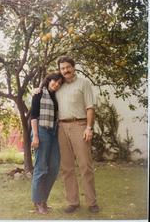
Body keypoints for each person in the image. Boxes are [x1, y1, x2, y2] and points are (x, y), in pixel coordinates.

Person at [55, 56, 99, 213]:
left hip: (79, 125)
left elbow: (90, 107)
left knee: (85, 165)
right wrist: (36, 90)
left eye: (68, 67)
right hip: (61, 128)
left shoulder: (84, 83)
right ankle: (73, 202)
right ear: (59, 70)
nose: (65, 70)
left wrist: (89, 127)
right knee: (67, 168)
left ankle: (92, 202)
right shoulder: (57, 86)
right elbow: (44, 93)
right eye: (62, 68)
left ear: (73, 67)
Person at [30, 72, 64, 214]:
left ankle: (43, 199)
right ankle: (38, 202)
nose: (56, 84)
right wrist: (36, 136)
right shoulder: (38, 93)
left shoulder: (56, 96)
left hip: (53, 132)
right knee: (41, 168)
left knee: (54, 167)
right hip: (41, 131)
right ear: (48, 80)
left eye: (59, 83)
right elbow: (33, 116)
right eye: (54, 81)